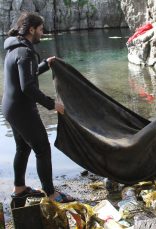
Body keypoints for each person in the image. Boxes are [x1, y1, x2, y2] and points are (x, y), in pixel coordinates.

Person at [2, 12, 74, 203]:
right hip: (22, 109)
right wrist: (52, 104)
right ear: (31, 29)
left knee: (23, 148)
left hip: (10, 108)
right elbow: (28, 87)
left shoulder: (14, 47)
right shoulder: (25, 52)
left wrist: (45, 65)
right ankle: (51, 194)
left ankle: (19, 189)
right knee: (42, 148)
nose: (43, 33)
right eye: (41, 29)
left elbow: (26, 76)